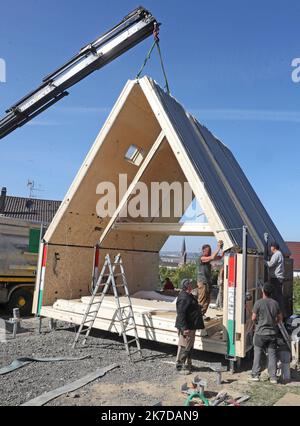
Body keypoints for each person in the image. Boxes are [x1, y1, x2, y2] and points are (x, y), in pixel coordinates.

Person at [249, 283, 282, 384]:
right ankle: (273, 377)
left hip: (260, 333)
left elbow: (253, 318)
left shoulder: (258, 303)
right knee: (272, 355)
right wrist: (274, 323)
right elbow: (280, 319)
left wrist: (257, 324)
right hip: (272, 333)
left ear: (263, 291)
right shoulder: (275, 303)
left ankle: (255, 375)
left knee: (257, 353)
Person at [175, 278, 204, 374]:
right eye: (190, 283)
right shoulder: (184, 297)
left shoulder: (188, 295)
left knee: (189, 346)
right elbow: (181, 314)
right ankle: (180, 366)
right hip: (187, 327)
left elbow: (189, 307)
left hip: (191, 326)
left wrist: (197, 307)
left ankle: (188, 365)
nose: (192, 284)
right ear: (187, 286)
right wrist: (184, 328)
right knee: (184, 346)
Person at [193, 240, 223, 318]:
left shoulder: (208, 258)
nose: (209, 252)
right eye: (208, 251)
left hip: (207, 282)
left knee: (208, 300)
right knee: (202, 299)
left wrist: (223, 249)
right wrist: (218, 247)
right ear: (203, 251)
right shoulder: (202, 258)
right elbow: (212, 257)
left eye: (210, 251)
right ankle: (198, 315)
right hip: (202, 282)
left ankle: (202, 314)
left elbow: (219, 257)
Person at [266, 242, 285, 317]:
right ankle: (279, 313)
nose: (270, 249)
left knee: (275, 296)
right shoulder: (280, 254)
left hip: (276, 278)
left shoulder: (276, 254)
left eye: (271, 247)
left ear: (273, 247)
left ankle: (276, 313)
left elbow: (270, 264)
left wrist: (263, 262)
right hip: (278, 278)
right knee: (278, 296)